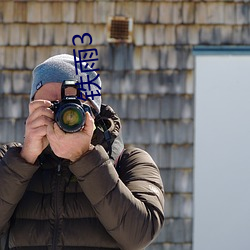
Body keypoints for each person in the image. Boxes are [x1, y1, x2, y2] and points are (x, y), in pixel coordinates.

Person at [0, 54, 164, 250]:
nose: (59, 116)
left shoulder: (130, 162)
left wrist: (85, 158)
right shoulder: (9, 160)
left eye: (70, 107)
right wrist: (24, 160)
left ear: (93, 112)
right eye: (49, 106)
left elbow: (139, 235)